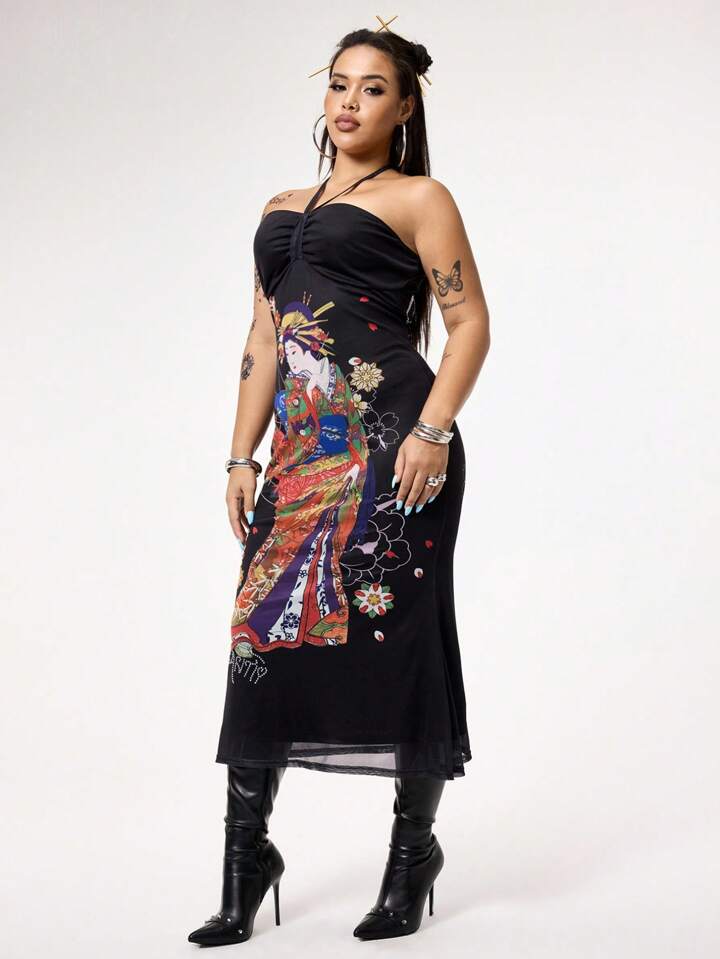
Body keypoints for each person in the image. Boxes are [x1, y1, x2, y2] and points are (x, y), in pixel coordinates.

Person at [188, 25, 491, 946]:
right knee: (262, 634)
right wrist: (240, 456)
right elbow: (264, 337)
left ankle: (412, 855)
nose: (351, 101)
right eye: (339, 85)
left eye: (373, 88)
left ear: (404, 107)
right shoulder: (279, 206)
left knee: (401, 641)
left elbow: (470, 323)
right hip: (299, 456)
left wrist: (432, 430)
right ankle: (246, 862)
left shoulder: (420, 197)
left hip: (398, 446)